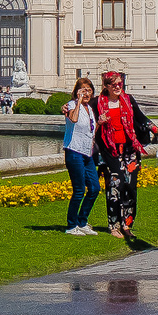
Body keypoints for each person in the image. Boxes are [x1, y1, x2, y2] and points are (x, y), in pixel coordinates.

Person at [93, 71, 156, 241]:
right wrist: (67, 108)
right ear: (106, 86)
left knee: (130, 187)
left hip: (130, 150)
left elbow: (142, 118)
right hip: (110, 151)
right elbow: (85, 117)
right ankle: (113, 225)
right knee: (115, 187)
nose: (118, 87)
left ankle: (127, 224)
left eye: (120, 83)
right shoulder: (97, 103)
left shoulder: (128, 100)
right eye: (114, 84)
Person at [61, 78, 100, 235]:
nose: (87, 93)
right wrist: (77, 102)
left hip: (86, 153)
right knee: (79, 190)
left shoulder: (89, 109)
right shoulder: (71, 105)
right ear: (77, 91)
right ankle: (71, 226)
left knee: (94, 188)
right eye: (83, 90)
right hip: (74, 151)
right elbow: (74, 119)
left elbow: (90, 129)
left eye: (89, 90)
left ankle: (82, 221)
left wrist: (99, 124)